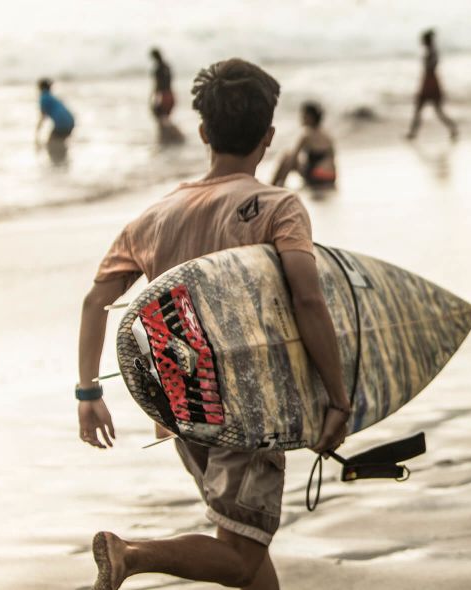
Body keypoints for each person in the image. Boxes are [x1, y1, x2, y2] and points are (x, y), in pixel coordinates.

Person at [75, 58, 350, 590]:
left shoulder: (155, 217)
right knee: (242, 555)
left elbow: (95, 303)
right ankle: (129, 554)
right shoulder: (277, 207)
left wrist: (88, 393)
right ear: (269, 137)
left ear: (202, 131)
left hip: (182, 406)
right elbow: (308, 300)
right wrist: (335, 398)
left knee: (239, 536)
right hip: (249, 404)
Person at [406, 29, 458, 141]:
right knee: (424, 110)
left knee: (434, 111)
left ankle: (452, 127)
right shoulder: (431, 52)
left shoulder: (433, 53)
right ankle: (412, 133)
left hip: (431, 84)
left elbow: (431, 67)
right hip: (428, 82)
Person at [272, 101, 337, 190]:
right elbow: (333, 159)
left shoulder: (306, 134)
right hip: (331, 178)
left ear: (310, 117)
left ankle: (274, 186)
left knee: (286, 156)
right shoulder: (327, 135)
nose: (301, 118)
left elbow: (293, 158)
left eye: (303, 115)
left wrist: (282, 177)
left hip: (317, 176)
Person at [35, 78, 75, 162]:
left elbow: (43, 117)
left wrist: (37, 133)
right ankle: (63, 164)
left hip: (62, 124)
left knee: (52, 145)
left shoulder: (43, 98)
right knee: (60, 144)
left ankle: (58, 167)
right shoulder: (52, 97)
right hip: (70, 122)